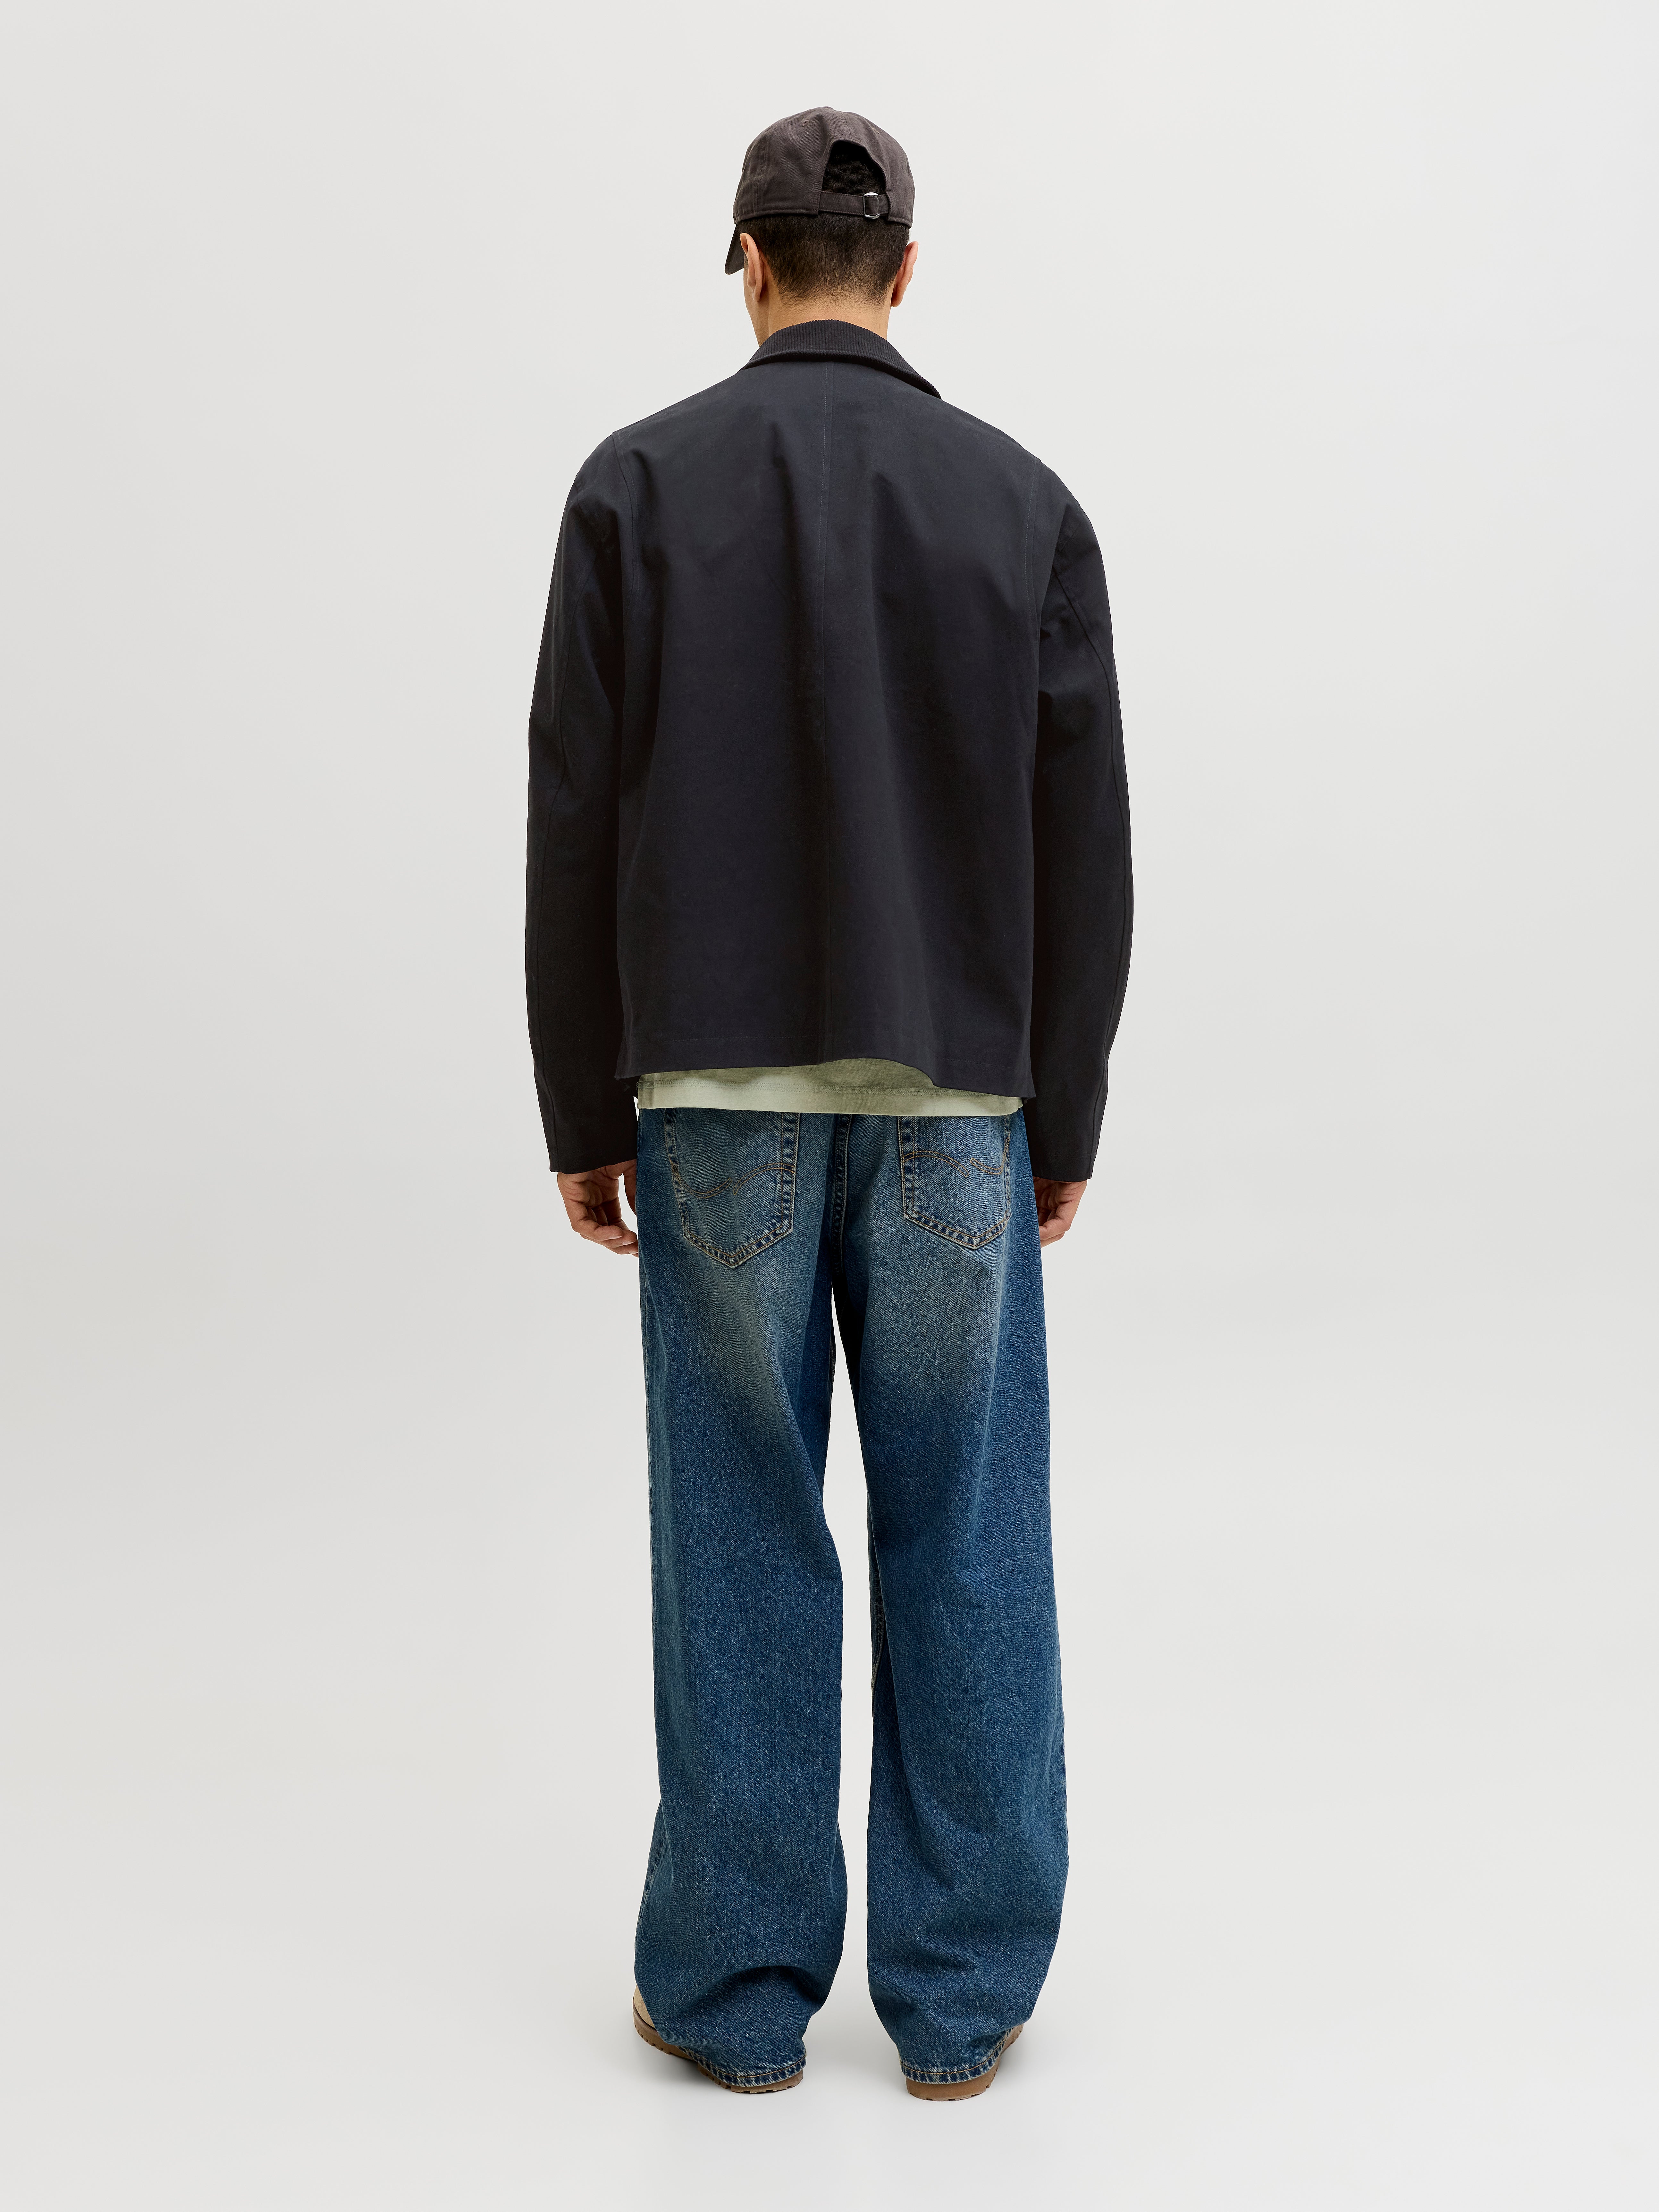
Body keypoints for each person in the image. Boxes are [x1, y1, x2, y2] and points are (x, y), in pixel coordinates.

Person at [525, 106, 1132, 2101]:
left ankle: (733, 1988)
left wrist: (580, 1097)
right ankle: (959, 2004)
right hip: (959, 1098)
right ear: (905, 273)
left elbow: (571, 809)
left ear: (748, 264)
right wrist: (1059, 1117)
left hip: (714, 1099)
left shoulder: (634, 487)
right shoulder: (1020, 502)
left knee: (737, 1525)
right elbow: (1084, 840)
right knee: (968, 1533)